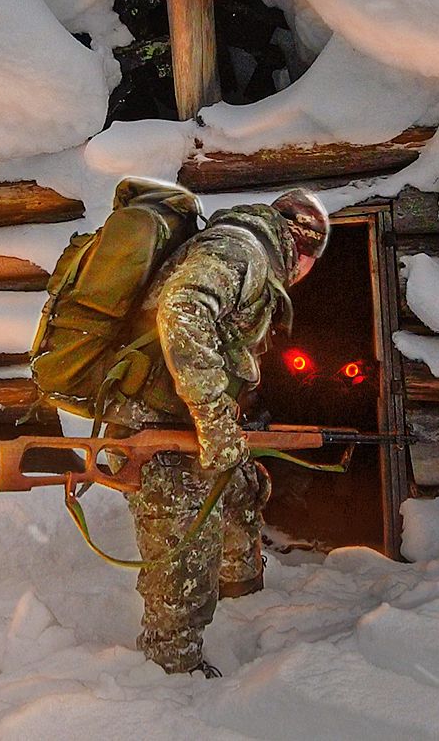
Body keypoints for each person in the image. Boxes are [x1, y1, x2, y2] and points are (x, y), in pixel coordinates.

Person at [104, 188, 330, 675]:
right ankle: (173, 671)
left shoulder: (247, 253)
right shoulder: (240, 250)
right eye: (310, 265)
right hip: (155, 422)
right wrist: (212, 415)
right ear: (303, 252)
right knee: (183, 548)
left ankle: (241, 605)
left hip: (175, 417)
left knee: (242, 488)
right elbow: (182, 310)